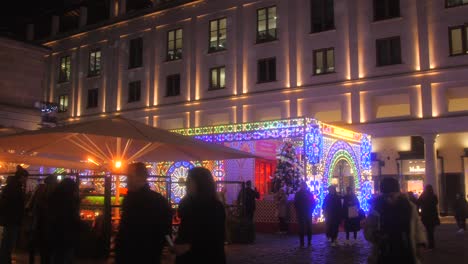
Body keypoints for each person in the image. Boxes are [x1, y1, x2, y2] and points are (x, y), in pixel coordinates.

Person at [115, 162, 172, 264]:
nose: (127, 180)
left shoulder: (130, 200)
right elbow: (165, 232)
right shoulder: (159, 200)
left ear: (140, 177)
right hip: (150, 255)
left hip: (134, 255)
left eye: (129, 176)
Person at [365, 177, 427, 264]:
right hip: (384, 252)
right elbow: (369, 229)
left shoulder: (408, 206)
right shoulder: (376, 208)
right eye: (387, 196)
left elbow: (417, 226)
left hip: (406, 250)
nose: (390, 199)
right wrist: (375, 235)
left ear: (398, 193)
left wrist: (420, 243)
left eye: (393, 195)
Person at [174, 167, 226, 264]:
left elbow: (215, 238)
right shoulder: (187, 203)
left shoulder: (214, 207)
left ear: (201, 184)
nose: (186, 184)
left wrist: (188, 246)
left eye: (189, 181)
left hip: (205, 258)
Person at [48, 178, 81, 264]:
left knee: (58, 255)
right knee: (65, 255)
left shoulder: (54, 197)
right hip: (66, 234)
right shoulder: (69, 201)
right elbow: (72, 217)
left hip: (56, 233)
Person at [0, 175, 26, 264]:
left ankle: (4, 258)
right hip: (13, 218)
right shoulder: (16, 189)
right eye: (24, 177)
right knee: (9, 240)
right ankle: (5, 258)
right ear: (20, 178)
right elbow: (17, 205)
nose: (25, 179)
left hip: (8, 218)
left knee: (6, 239)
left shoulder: (8, 189)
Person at [417, 184, 440, 250]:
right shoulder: (434, 196)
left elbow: (418, 202)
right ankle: (431, 244)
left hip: (426, 215)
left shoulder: (423, 196)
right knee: (431, 231)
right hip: (432, 215)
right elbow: (436, 203)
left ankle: (430, 245)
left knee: (428, 230)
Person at [294, 182, 314, 248]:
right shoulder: (298, 194)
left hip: (307, 212)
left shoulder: (308, 193)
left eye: (304, 186)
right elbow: (296, 203)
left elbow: (313, 202)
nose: (303, 187)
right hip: (302, 212)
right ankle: (302, 242)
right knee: (302, 228)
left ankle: (309, 241)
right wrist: (298, 211)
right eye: (302, 186)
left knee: (309, 227)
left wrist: (311, 209)